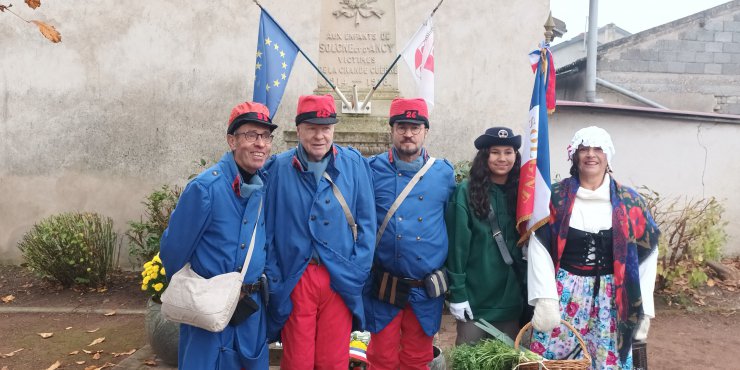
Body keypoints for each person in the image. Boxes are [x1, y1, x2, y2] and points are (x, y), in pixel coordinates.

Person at [527, 126, 659, 370]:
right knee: (557, 361)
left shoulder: (630, 201)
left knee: (609, 361)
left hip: (613, 296)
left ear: (608, 155)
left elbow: (647, 255)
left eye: (598, 149)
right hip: (565, 293)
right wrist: (545, 299)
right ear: (574, 156)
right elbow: (540, 248)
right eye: (584, 149)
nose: (591, 154)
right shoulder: (554, 197)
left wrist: (643, 308)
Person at [160, 101, 276, 369]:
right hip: (208, 314)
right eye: (251, 135)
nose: (260, 143)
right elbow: (173, 253)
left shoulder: (265, 186)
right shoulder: (205, 189)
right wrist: (201, 292)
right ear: (232, 141)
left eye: (266, 136)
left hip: (250, 314)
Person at [263, 94, 376, 369]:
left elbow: (368, 224)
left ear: (333, 129)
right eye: (311, 128)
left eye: (325, 128)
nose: (319, 136)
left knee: (332, 361)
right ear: (299, 129)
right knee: (297, 360)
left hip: (340, 277)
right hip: (296, 277)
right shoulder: (277, 168)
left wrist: (356, 271)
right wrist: (277, 278)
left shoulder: (354, 164)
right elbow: (266, 230)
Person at [364, 98, 455, 369]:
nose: (408, 133)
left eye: (415, 127)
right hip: (385, 284)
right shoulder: (371, 170)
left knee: (418, 358)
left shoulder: (444, 173)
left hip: (425, 289)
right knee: (381, 358)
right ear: (391, 130)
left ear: (425, 131)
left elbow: (450, 222)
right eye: (402, 126)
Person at [445, 126, 526, 343]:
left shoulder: (524, 195)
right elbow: (457, 248)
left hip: (512, 302)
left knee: (509, 365)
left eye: (508, 152)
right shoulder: (465, 192)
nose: (502, 158)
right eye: (495, 152)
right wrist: (458, 294)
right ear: (484, 156)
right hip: (474, 302)